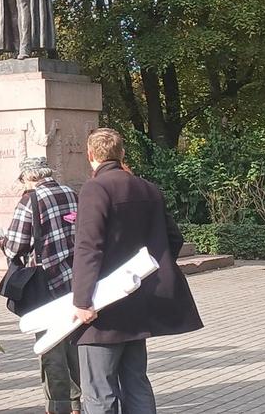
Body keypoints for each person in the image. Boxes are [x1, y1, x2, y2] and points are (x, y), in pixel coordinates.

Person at [71, 128, 203, 414]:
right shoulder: (147, 188)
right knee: (136, 382)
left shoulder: (95, 188)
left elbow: (88, 247)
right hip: (139, 298)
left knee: (98, 389)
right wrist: (148, 270)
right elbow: (174, 238)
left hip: (103, 304)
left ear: (90, 155)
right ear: (122, 154)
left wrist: (81, 300)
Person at [2, 157, 81, 414]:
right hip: (74, 278)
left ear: (28, 177)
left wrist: (3, 242)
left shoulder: (31, 199)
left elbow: (15, 246)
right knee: (73, 341)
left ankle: (60, 405)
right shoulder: (71, 193)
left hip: (45, 283)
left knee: (51, 345)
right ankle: (79, 402)